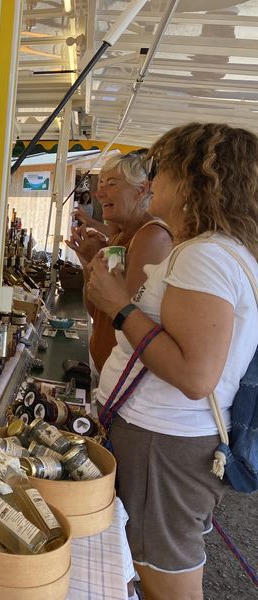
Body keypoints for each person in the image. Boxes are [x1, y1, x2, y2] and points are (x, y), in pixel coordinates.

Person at [87, 123, 258, 600]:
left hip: (163, 442)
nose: (152, 180)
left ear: (194, 179)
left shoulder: (204, 257)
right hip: (165, 440)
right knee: (155, 565)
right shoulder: (217, 251)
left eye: (162, 169)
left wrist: (121, 306)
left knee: (165, 576)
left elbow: (195, 375)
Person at [66, 152, 173, 372]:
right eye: (101, 184)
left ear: (141, 190)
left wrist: (98, 259)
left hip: (127, 379)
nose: (99, 193)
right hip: (109, 373)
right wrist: (90, 263)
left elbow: (124, 316)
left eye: (112, 183)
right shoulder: (119, 238)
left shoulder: (152, 236)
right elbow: (96, 309)